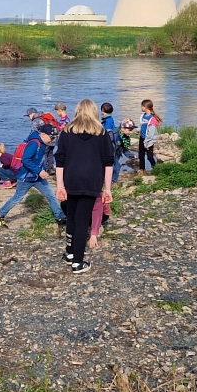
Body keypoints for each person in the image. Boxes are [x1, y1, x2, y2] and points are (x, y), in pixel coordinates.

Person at [55, 99, 114, 274]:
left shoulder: (66, 132)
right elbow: (108, 163)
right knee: (82, 220)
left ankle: (70, 253)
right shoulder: (101, 133)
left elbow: (60, 160)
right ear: (94, 112)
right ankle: (78, 262)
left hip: (71, 179)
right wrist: (107, 188)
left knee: (72, 217)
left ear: (77, 112)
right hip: (92, 180)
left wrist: (60, 186)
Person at [0, 124, 66, 228]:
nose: (52, 140)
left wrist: (43, 171)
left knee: (50, 194)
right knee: (18, 197)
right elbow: (25, 160)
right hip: (26, 177)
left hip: (37, 177)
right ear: (43, 134)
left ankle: (60, 217)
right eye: (51, 137)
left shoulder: (43, 143)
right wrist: (39, 171)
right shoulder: (34, 143)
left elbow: (39, 160)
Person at [138, 100, 162, 176]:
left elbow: (151, 134)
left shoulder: (152, 119)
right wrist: (138, 130)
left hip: (149, 141)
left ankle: (155, 169)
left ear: (145, 107)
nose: (141, 107)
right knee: (141, 155)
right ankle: (142, 170)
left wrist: (146, 143)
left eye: (142, 106)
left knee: (149, 156)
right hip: (142, 138)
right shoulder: (143, 116)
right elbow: (141, 125)